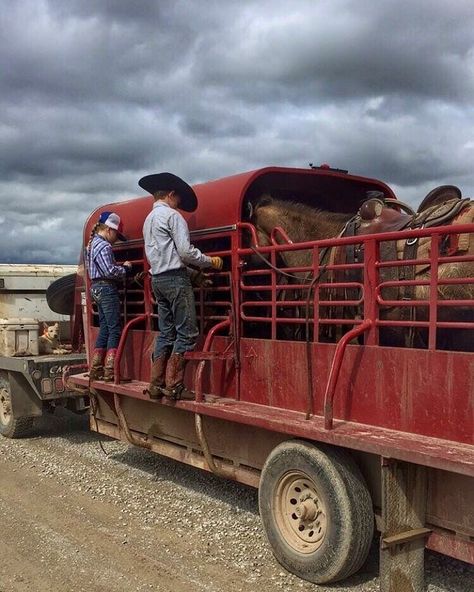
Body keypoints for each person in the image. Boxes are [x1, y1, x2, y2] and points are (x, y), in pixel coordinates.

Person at [140, 172, 223, 401]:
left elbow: (159, 255)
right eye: (178, 199)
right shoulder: (173, 216)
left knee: (166, 332)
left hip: (158, 280)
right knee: (187, 332)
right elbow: (185, 252)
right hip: (176, 279)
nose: (179, 204)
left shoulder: (148, 220)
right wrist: (209, 261)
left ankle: (156, 384)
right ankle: (175, 386)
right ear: (171, 194)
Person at [86, 211, 132, 382]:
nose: (116, 240)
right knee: (114, 329)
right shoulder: (104, 246)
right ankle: (110, 370)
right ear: (109, 230)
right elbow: (109, 271)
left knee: (104, 327)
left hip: (96, 289)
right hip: (106, 288)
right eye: (116, 235)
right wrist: (125, 269)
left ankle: (96, 368)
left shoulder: (90, 245)